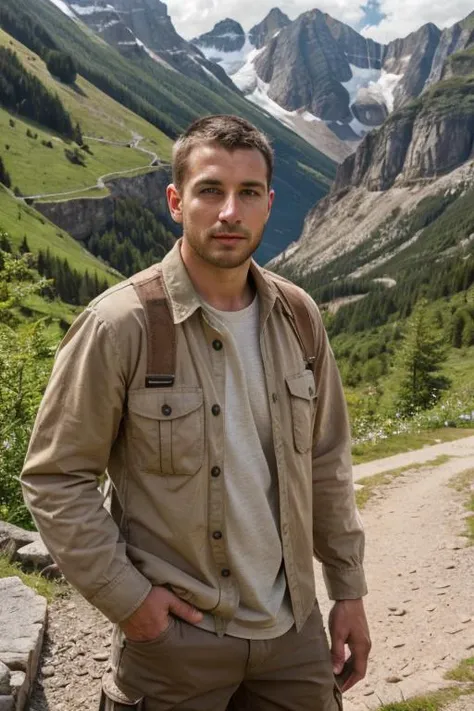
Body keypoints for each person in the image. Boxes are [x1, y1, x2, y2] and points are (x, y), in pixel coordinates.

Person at [21, 114, 370, 711]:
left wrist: (348, 590)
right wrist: (133, 603)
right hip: (175, 648)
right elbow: (56, 479)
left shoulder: (300, 316)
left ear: (267, 205)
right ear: (176, 201)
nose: (229, 212)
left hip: (294, 638)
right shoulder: (120, 324)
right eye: (211, 190)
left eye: (248, 193)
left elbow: (326, 464)